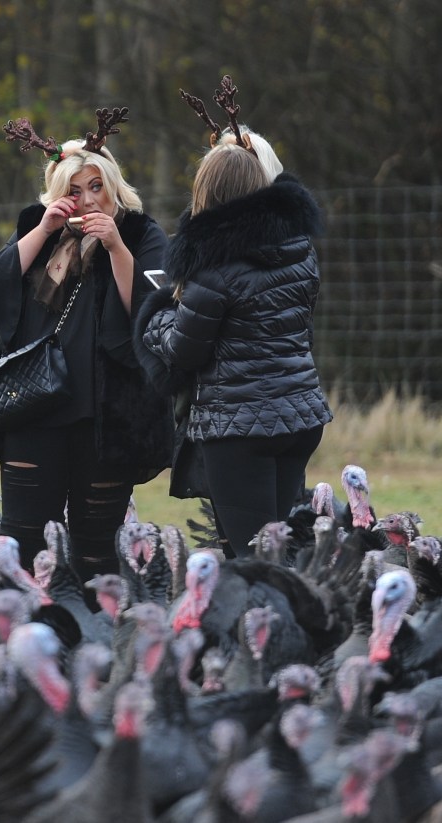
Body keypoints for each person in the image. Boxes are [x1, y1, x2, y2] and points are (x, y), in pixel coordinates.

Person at [0, 108, 174, 583]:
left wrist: (117, 247)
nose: (87, 200)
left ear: (113, 186)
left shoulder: (141, 232)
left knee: (96, 551)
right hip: (31, 409)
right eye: (74, 190)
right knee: (23, 538)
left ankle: (93, 639)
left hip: (107, 417)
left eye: (97, 187)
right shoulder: (39, 227)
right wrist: (44, 230)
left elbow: (150, 309)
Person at [135, 80, 332, 558]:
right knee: (281, 549)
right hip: (300, 415)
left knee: (252, 558)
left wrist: (157, 314)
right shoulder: (299, 250)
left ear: (208, 194)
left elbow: (184, 349)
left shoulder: (212, 268)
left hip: (241, 425)